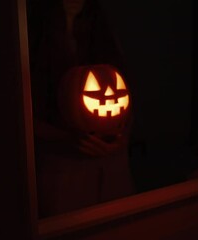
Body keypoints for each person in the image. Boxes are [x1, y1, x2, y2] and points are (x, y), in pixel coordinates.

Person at [27, 0, 134, 218]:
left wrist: (122, 138)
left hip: (112, 161)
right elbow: (19, 113)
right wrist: (64, 138)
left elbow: (123, 95)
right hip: (62, 166)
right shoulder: (28, 27)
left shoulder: (102, 26)